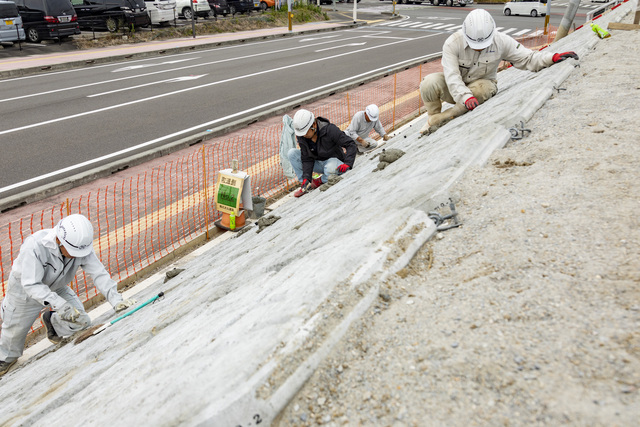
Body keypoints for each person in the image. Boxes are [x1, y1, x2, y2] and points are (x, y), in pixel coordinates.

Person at [0, 214, 136, 377]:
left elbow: (98, 273)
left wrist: (116, 300)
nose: (77, 256)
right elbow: (32, 284)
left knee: (82, 321)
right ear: (59, 240)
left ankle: (52, 322)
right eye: (72, 252)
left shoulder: (80, 247)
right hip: (25, 290)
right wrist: (60, 304)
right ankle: (5, 358)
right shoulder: (35, 246)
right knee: (13, 334)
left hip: (56, 286)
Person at [419, 8, 579, 135]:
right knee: (428, 83)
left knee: (482, 89)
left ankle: (441, 120)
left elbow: (527, 59)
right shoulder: (452, 43)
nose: (479, 47)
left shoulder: (501, 41)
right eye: (474, 44)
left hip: (481, 87)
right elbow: (452, 77)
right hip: (458, 91)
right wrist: (465, 96)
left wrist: (552, 57)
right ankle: (432, 118)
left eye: (482, 45)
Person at [288, 109, 358, 198]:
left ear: (313, 124)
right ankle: (306, 185)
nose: (303, 135)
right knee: (292, 153)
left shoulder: (330, 130)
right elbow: (307, 158)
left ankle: (319, 180)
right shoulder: (302, 137)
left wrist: (348, 163)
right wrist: (306, 177)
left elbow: (350, 144)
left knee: (330, 168)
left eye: (305, 132)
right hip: (319, 163)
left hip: (334, 162)